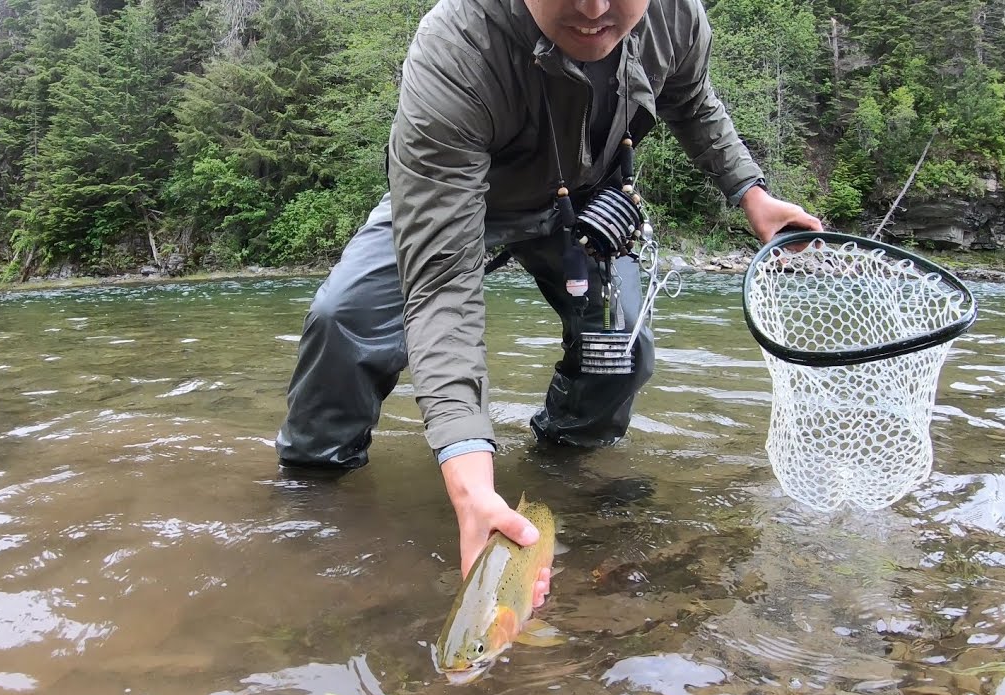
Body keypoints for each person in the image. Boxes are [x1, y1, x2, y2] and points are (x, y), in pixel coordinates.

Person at [275, 0, 823, 607]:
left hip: (584, 209)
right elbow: (442, 289)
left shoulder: (677, 16)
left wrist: (751, 193)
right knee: (342, 321)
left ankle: (563, 466)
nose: (593, 10)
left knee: (621, 349)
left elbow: (691, 100)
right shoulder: (456, 45)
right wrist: (468, 478)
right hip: (458, 203)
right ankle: (312, 496)